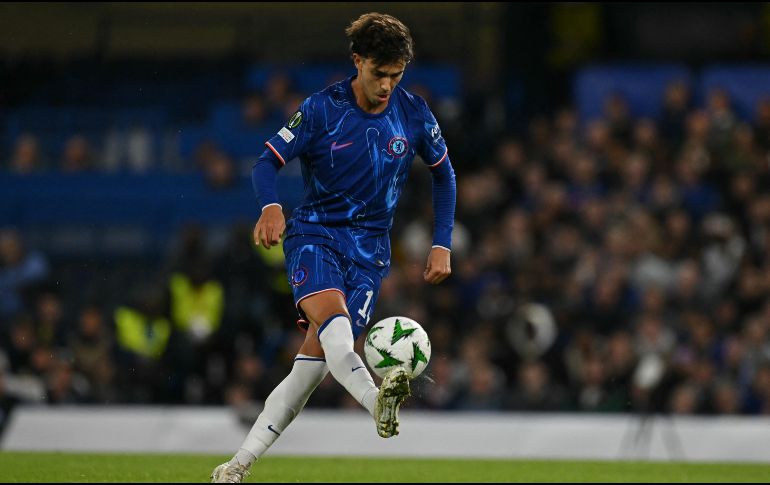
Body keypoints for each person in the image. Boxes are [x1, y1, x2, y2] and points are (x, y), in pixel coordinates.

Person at [211, 12, 456, 483]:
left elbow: (444, 174)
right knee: (338, 330)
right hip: (316, 236)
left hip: (369, 254)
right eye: (378, 73)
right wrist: (271, 207)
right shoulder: (323, 109)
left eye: (396, 75)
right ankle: (376, 401)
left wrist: (441, 242)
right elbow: (266, 162)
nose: (387, 85)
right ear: (357, 60)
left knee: (308, 372)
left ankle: (237, 466)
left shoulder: (413, 112)